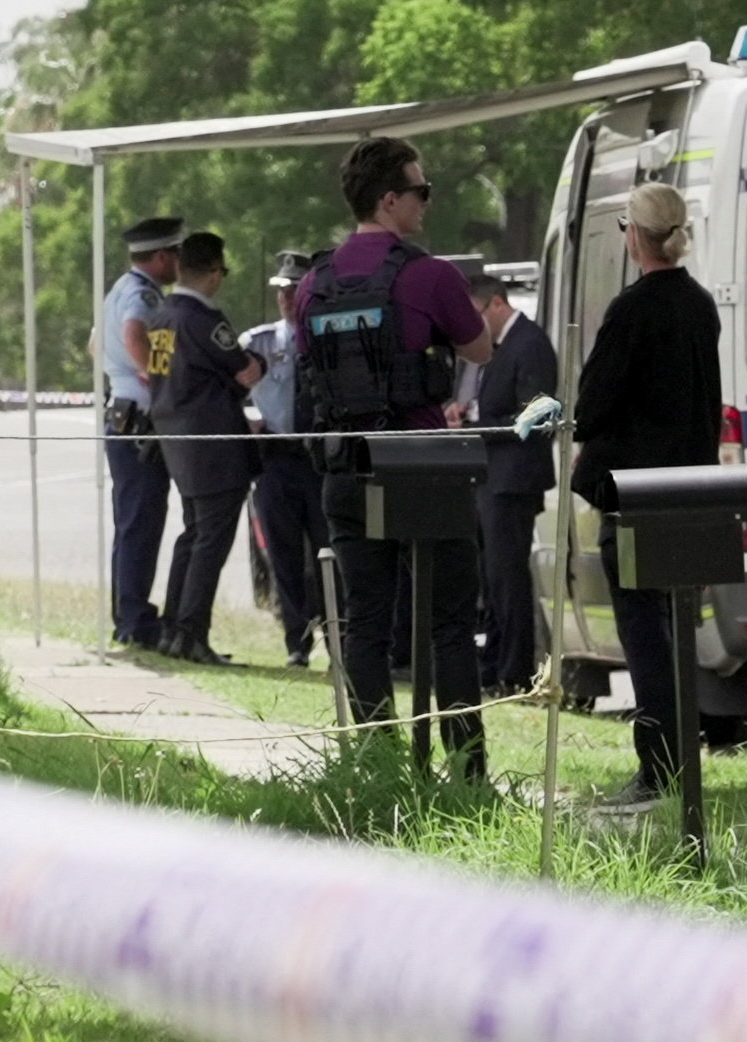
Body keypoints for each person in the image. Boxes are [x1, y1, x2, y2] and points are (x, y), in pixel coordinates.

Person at [290, 135, 492, 765]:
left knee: (363, 624)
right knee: (451, 625)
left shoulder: (311, 286)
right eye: (420, 190)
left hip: (346, 466)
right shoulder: (429, 275)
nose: (426, 202)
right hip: (423, 468)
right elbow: (480, 349)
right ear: (388, 199)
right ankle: (465, 770)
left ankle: (376, 764)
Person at [570, 179, 723, 802]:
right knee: (675, 631)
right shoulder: (700, 304)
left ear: (634, 236)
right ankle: (684, 756)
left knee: (644, 634)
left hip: (635, 495)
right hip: (690, 490)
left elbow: (594, 404)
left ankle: (659, 766)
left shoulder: (632, 310)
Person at [148, 229, 267, 663]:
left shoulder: (163, 314)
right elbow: (244, 369)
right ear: (215, 274)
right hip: (214, 443)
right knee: (210, 542)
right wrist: (260, 364)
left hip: (177, 439)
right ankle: (192, 633)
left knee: (193, 534)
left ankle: (174, 631)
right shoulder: (203, 319)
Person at [467, 265, 560, 697]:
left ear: (498, 303)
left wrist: (477, 423)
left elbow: (539, 412)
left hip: (514, 479)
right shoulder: (502, 346)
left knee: (508, 579)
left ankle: (515, 670)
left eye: (477, 314)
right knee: (492, 578)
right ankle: (494, 663)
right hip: (493, 478)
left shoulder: (530, 343)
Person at [95, 215, 183, 648]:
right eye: (177, 254)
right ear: (163, 256)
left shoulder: (118, 288)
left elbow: (96, 342)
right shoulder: (143, 294)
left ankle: (129, 614)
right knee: (141, 522)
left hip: (123, 416)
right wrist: (154, 374)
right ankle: (135, 621)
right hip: (140, 423)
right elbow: (134, 333)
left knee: (133, 522)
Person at [242, 251, 329, 668]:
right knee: (283, 554)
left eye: (295, 289)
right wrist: (250, 423)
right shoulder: (255, 343)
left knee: (329, 551)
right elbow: (230, 394)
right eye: (281, 289)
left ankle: (338, 634)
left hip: (319, 460)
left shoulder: (327, 339)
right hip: (276, 458)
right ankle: (297, 640)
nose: (287, 297)